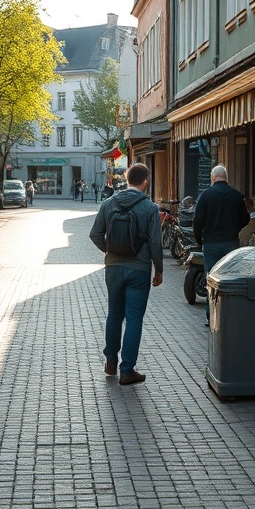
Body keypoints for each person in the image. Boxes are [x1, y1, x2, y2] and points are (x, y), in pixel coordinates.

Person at [89, 163, 163, 385]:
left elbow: (95, 235)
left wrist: (110, 251)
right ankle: (127, 370)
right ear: (145, 182)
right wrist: (158, 269)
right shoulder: (149, 208)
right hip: (139, 269)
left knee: (114, 314)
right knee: (133, 318)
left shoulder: (108, 203)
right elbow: (156, 243)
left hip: (113, 268)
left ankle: (110, 362)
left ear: (127, 179)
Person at [193, 165, 251, 324]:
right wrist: (235, 228)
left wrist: (200, 240)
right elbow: (245, 218)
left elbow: (197, 221)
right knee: (230, 278)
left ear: (212, 178)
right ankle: (229, 314)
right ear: (226, 177)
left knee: (211, 279)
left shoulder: (205, 196)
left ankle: (211, 316)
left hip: (211, 244)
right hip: (231, 244)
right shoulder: (236, 196)